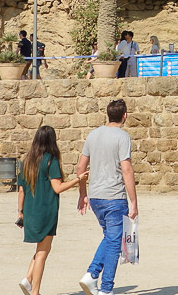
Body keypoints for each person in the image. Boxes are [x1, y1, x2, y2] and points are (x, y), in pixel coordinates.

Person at [17, 125, 88, 295]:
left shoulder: (26, 162)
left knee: (42, 248)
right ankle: (35, 291)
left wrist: (20, 212)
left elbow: (21, 190)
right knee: (42, 252)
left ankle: (28, 279)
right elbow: (57, 187)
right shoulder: (50, 160)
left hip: (30, 210)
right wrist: (78, 180)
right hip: (46, 210)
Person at [76, 100, 137, 295]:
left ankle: (92, 274)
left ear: (107, 114)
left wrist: (82, 194)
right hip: (114, 197)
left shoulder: (93, 135)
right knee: (113, 242)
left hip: (96, 196)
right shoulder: (123, 137)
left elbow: (80, 168)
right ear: (124, 116)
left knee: (110, 237)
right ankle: (106, 288)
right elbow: (126, 168)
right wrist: (134, 201)